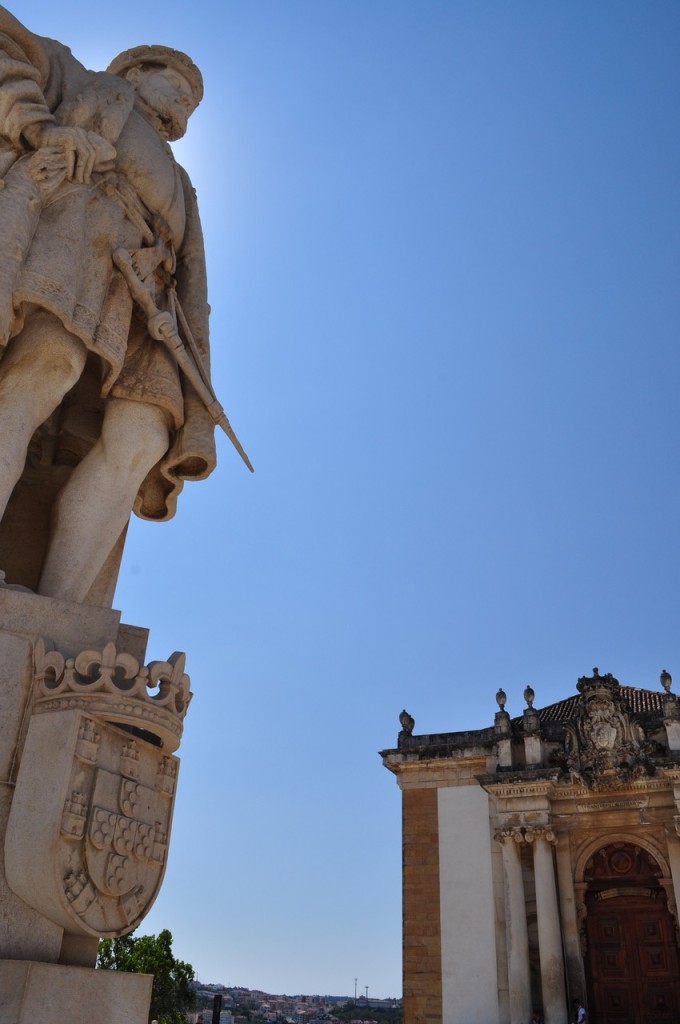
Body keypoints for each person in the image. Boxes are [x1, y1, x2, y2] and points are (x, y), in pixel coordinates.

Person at [0, 6, 217, 603]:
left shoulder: (184, 185)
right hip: (69, 242)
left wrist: (196, 368)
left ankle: (59, 608)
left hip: (150, 310)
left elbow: (195, 280)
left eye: (192, 110)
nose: (183, 114)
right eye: (180, 91)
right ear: (139, 68)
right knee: (46, 365)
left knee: (144, 437)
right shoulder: (75, 76)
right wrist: (38, 126)